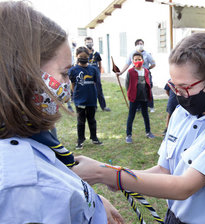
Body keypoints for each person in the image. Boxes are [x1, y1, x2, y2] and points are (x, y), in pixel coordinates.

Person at [73, 33, 205, 224]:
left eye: (184, 87)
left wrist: (107, 174)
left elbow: (184, 186)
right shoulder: (182, 113)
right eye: (174, 86)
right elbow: (164, 171)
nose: (178, 95)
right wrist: (114, 172)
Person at [0, 1, 124, 224]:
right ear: (22, 72)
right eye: (65, 74)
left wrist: (93, 200)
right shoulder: (23, 184)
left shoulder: (33, 137)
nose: (68, 85)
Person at [69, 46, 103, 149]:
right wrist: (74, 95)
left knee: (92, 119)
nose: (83, 58)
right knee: (81, 121)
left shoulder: (93, 69)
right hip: (79, 99)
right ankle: (80, 140)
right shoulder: (73, 70)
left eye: (85, 56)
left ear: (88, 56)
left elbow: (97, 83)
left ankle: (94, 138)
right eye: (80, 56)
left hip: (91, 99)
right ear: (77, 56)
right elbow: (73, 84)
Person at [116, 39, 156, 112]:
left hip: (145, 74)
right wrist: (121, 72)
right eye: (138, 43)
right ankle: (138, 107)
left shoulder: (147, 54)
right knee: (136, 89)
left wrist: (147, 69)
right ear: (135, 45)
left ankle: (150, 106)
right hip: (135, 74)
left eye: (141, 43)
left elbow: (153, 64)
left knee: (147, 89)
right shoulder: (132, 54)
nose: (140, 45)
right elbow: (127, 64)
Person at [124, 52, 155, 143]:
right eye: (136, 60)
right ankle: (128, 135)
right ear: (133, 61)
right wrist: (130, 94)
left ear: (143, 60)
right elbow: (127, 84)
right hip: (134, 98)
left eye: (139, 59)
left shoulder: (146, 71)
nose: (138, 61)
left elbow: (148, 82)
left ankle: (148, 132)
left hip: (144, 97)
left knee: (145, 115)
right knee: (131, 116)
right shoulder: (130, 72)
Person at [85, 36, 111, 112]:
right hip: (87, 75)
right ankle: (93, 107)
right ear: (85, 43)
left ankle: (104, 106)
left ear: (93, 43)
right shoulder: (83, 53)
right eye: (87, 42)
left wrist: (99, 73)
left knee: (99, 90)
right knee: (90, 91)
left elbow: (100, 64)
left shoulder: (96, 53)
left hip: (96, 75)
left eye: (90, 42)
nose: (89, 43)